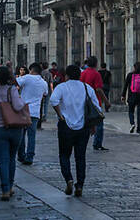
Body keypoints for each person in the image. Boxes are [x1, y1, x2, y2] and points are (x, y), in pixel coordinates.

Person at [51, 64, 101, 197]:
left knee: (64, 155)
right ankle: (80, 185)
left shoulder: (62, 87)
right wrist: (93, 125)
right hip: (83, 127)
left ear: (66, 75)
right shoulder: (86, 88)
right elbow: (96, 107)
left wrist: (61, 115)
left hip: (65, 126)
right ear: (79, 75)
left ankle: (68, 179)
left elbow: (53, 100)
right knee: (80, 157)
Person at [0, 65, 25, 201]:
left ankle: (5, 189)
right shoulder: (12, 89)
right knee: (12, 158)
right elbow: (19, 106)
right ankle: (11, 186)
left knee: (3, 159)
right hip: (14, 128)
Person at [16, 62, 48, 165]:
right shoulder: (44, 83)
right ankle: (30, 156)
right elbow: (45, 94)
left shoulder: (27, 78)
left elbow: (16, 82)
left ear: (32, 70)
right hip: (35, 112)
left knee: (21, 134)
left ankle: (21, 155)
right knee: (31, 135)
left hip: (24, 109)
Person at [80, 56, 110, 151]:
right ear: (96, 64)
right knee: (99, 122)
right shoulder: (96, 74)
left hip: (84, 101)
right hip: (95, 101)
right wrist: (106, 101)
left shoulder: (83, 73)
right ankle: (97, 143)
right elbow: (99, 89)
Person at [121, 62, 140, 134]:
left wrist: (123, 95)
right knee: (139, 114)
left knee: (131, 111)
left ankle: (132, 123)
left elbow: (126, 86)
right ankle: (138, 129)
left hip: (132, 96)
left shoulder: (130, 75)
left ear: (134, 67)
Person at [40, 62, 52, 127]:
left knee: (41, 103)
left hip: (41, 90)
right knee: (46, 104)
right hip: (48, 90)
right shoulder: (49, 73)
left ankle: (40, 115)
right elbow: (51, 83)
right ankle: (45, 116)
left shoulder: (40, 73)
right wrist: (52, 91)